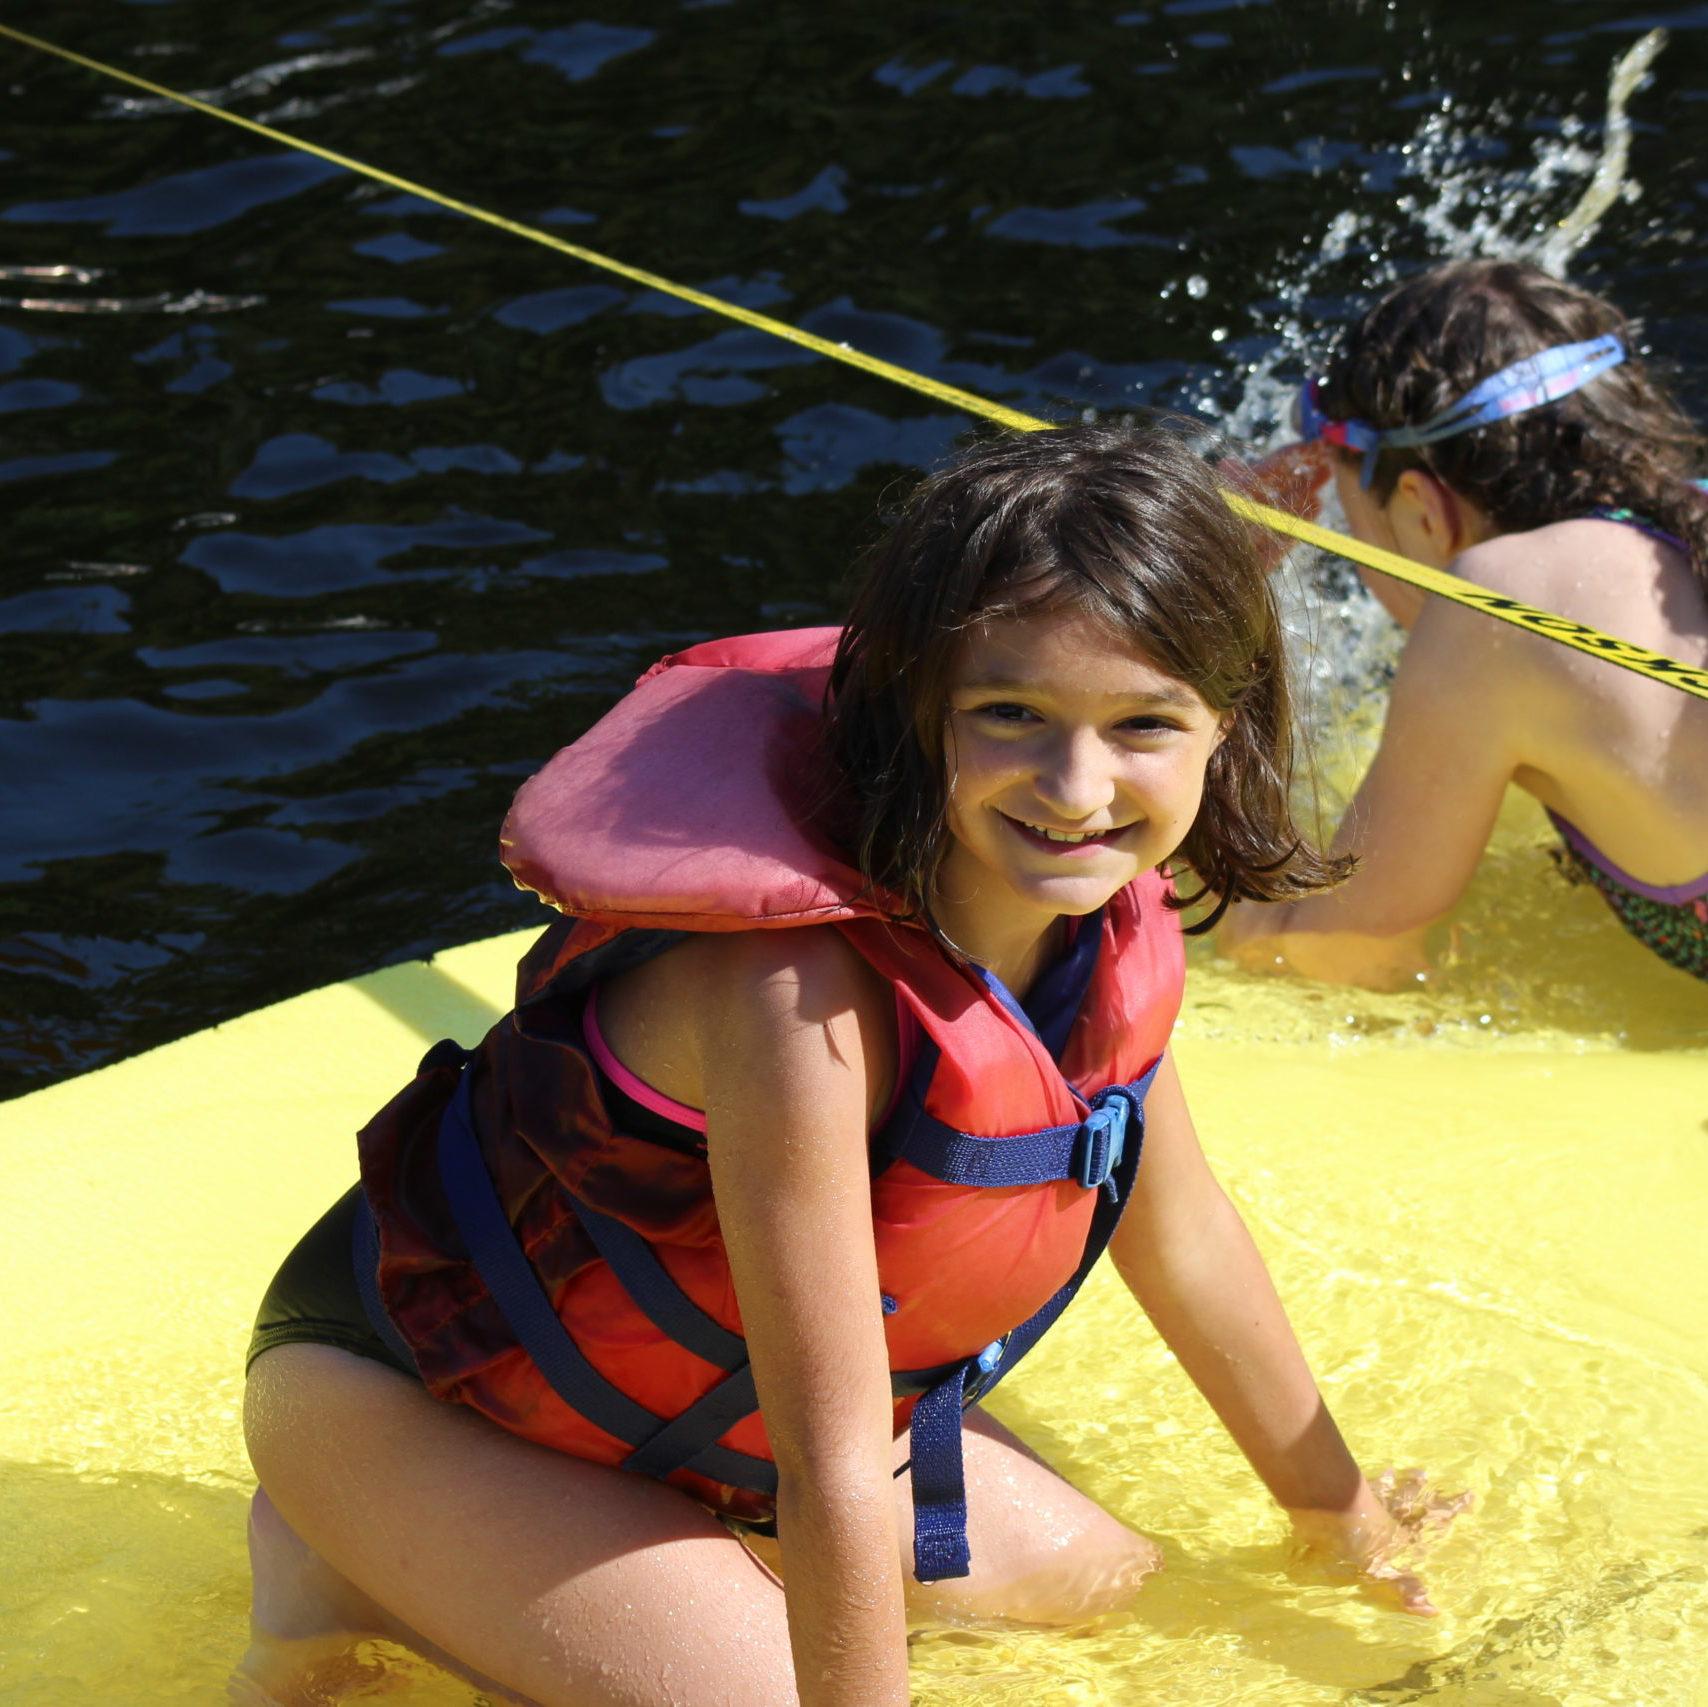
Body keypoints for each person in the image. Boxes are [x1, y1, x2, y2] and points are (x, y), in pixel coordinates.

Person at [239, 424, 1463, 1707]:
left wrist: (1341, 1516)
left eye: (1142, 724)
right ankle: (355, 1562)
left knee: (1100, 1582)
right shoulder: (797, 999)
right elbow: (828, 1451)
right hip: (417, 1399)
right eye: (1010, 715)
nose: (1077, 785)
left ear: (1225, 725)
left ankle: (566, 1579)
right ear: (912, 716)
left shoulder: (1109, 922)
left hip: (687, 1437)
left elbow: (1186, 1235)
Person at [1218, 259, 1708, 986]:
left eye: (1353, 522)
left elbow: (1318, 954)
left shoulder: (1501, 604)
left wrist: (1204, 617)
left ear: (1421, 508)